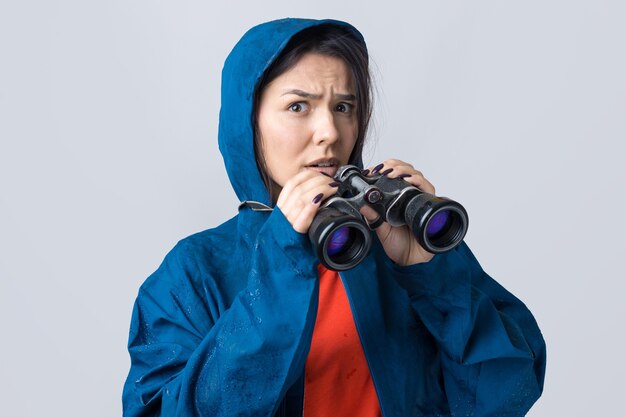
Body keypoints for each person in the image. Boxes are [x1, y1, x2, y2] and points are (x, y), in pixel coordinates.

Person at [122, 18, 546, 417]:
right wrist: (282, 264)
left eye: (344, 106)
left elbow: (507, 395)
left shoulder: (397, 243)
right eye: (298, 107)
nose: (329, 131)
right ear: (248, 122)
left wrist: (432, 273)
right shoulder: (193, 271)